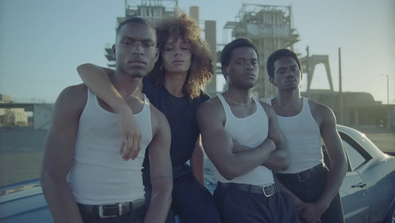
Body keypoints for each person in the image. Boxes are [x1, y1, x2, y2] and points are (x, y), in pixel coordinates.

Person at [76, 12, 221, 223]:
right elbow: (86, 70)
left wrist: (198, 185)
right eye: (170, 49)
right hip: (142, 175)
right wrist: (122, 109)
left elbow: (196, 147)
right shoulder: (143, 87)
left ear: (195, 56)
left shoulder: (201, 101)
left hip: (181, 175)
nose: (177, 54)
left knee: (208, 215)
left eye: (184, 49)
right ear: (159, 54)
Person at [41, 17, 173, 223]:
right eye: (128, 42)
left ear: (155, 55)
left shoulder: (157, 119)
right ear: (114, 51)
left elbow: (163, 185)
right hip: (81, 214)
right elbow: (52, 174)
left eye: (147, 44)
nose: (138, 50)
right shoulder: (76, 97)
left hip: (134, 215)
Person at [197, 38, 300, 223]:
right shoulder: (212, 109)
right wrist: (269, 145)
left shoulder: (266, 110)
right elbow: (230, 168)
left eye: (253, 62)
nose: (249, 67)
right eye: (240, 62)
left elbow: (284, 160)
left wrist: (242, 150)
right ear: (225, 70)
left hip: (276, 200)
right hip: (238, 201)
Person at [266, 48, 347, 223]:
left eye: (293, 69)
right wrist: (295, 203)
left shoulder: (321, 112)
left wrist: (321, 206)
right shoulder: (263, 113)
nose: (289, 73)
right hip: (283, 187)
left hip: (321, 185)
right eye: (282, 71)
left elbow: (340, 161)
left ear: (301, 74)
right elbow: (260, 164)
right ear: (272, 79)